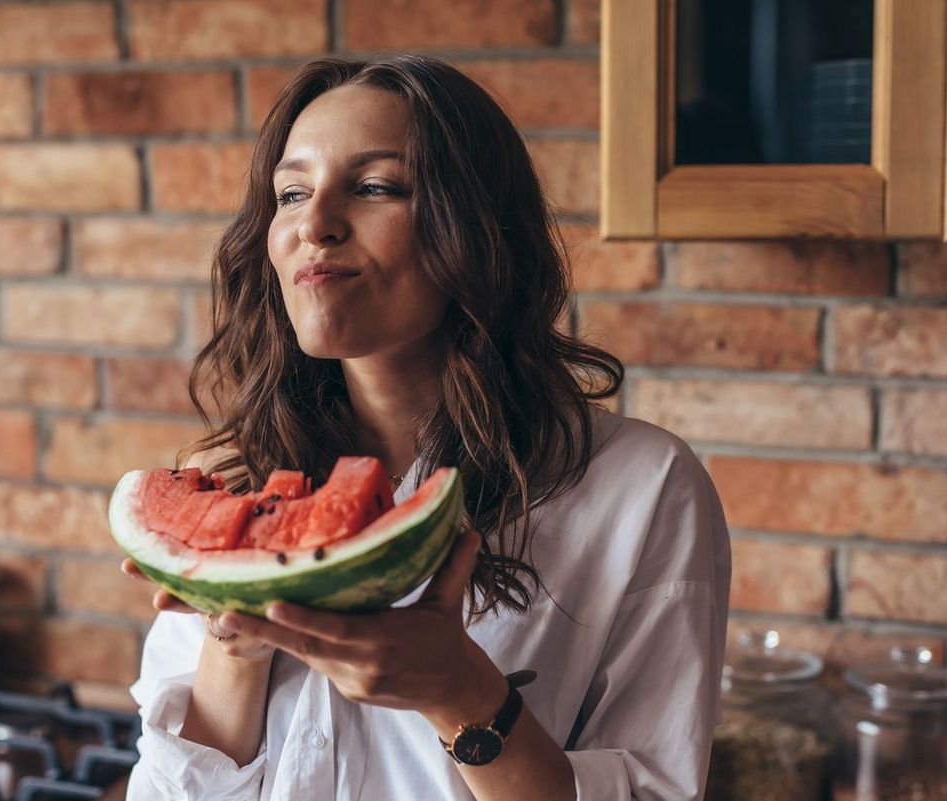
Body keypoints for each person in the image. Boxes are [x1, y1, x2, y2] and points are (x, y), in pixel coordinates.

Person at [120, 54, 731, 801]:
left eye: (375, 186)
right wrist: (235, 642)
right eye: (290, 193)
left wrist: (464, 693)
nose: (314, 224)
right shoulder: (240, 477)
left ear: (471, 229)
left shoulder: (642, 490)